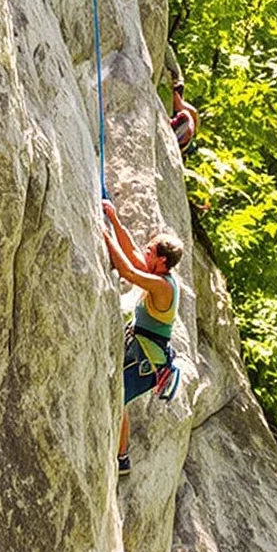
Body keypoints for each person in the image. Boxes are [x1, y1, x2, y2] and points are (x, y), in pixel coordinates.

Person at [102, 199, 182, 476]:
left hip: (148, 361)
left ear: (161, 260)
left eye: (151, 251)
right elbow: (134, 255)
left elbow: (128, 271)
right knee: (116, 394)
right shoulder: (159, 273)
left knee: (118, 397)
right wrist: (113, 219)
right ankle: (121, 456)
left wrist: (104, 235)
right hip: (142, 352)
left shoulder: (163, 287)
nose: (145, 252)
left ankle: (122, 458)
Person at [168, 77, 199, 154]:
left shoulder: (187, 115)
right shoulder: (189, 115)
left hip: (184, 128)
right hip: (185, 130)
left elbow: (192, 112)